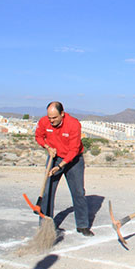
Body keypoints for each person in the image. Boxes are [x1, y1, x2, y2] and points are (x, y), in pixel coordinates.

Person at [34, 101, 93, 236]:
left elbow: (74, 150)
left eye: (54, 118)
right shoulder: (44, 122)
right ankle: (45, 225)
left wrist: (60, 166)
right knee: (47, 191)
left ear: (62, 114)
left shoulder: (73, 124)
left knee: (78, 192)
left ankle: (82, 225)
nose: (51, 121)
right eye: (49, 118)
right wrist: (47, 147)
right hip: (54, 157)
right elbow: (38, 137)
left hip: (74, 160)